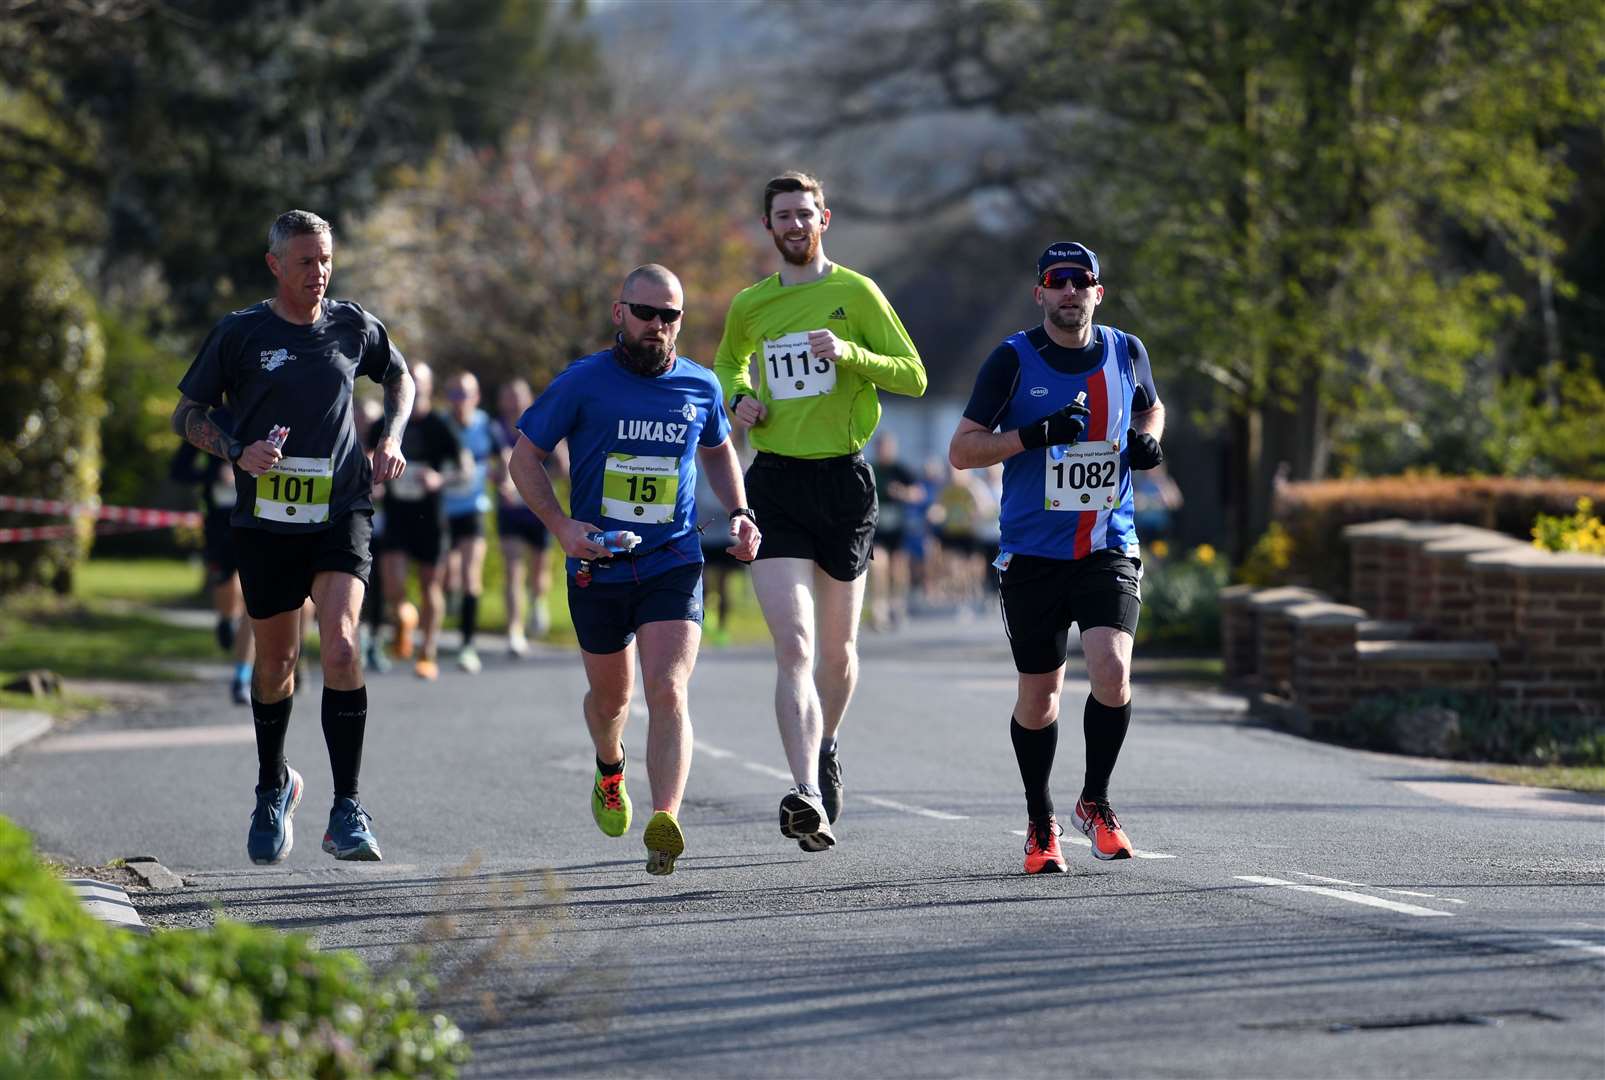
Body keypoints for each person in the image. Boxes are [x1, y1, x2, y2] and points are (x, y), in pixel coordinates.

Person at [171, 208, 414, 866]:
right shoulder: (241, 334)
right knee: (276, 665)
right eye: (305, 261)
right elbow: (186, 412)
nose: (319, 272)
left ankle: (348, 807)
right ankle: (274, 785)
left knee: (339, 647)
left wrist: (389, 436)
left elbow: (400, 375)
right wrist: (234, 449)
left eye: (326, 259)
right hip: (267, 522)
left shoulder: (351, 324)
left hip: (340, 512)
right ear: (276, 265)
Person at [509, 264, 760, 876]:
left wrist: (740, 510)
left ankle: (665, 817)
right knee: (610, 697)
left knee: (668, 688)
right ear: (618, 313)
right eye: (644, 313)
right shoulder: (583, 382)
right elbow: (525, 460)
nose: (656, 326)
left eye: (669, 315)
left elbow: (719, 446)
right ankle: (609, 766)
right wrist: (565, 529)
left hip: (674, 556)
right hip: (599, 562)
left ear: (680, 320)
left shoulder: (699, 386)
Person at [714, 171, 926, 852]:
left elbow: (912, 375)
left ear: (824, 219)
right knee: (795, 646)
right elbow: (726, 367)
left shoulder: (856, 293)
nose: (795, 225)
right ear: (768, 227)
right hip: (774, 481)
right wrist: (737, 398)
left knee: (837, 653)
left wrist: (850, 353)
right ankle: (805, 790)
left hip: (844, 482)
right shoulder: (750, 304)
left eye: (805, 213)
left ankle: (826, 744)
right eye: (783, 216)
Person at [948, 241, 1166, 874]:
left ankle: (1095, 801)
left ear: (1099, 291)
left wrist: (1147, 441)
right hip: (1033, 556)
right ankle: (1040, 820)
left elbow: (1152, 404)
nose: (1070, 291)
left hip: (1107, 545)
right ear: (1039, 292)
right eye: (1057, 281)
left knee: (1112, 669)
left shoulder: (1126, 351)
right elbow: (962, 452)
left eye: (1081, 281)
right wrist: (1033, 435)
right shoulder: (1011, 361)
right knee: (1040, 697)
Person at [369, 361, 468, 681]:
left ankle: (427, 652)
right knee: (394, 587)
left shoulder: (440, 425)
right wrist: (374, 477)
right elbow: (364, 452)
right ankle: (405, 616)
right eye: (410, 377)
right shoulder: (388, 422)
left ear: (429, 387)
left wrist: (440, 479)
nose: (416, 385)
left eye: (421, 380)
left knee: (430, 586)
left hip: (430, 517)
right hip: (397, 515)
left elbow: (464, 469)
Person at [170, 403, 255, 704]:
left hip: (259, 519)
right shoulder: (209, 422)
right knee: (225, 584)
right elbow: (179, 470)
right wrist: (214, 476)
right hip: (220, 521)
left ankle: (242, 677)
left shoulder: (269, 413)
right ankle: (224, 620)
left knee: (253, 598)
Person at [441, 370, 508, 674]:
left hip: (473, 509)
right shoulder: (439, 427)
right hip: (441, 511)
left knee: (470, 576)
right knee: (448, 579)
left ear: (476, 397)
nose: (459, 401)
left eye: (464, 394)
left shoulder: (486, 425)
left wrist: (506, 481)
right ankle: (450, 600)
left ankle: (467, 646)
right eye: (453, 394)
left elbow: (505, 455)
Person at [493, 378, 566, 655]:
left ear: (528, 398)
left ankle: (537, 600)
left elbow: (563, 464)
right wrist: (499, 479)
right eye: (508, 395)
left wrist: (542, 482)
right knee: (512, 569)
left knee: (538, 572)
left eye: (518, 395)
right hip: (510, 511)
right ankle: (514, 630)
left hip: (540, 510)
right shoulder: (496, 429)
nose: (513, 401)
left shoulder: (542, 423)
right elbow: (486, 464)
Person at [868, 432, 923, 631]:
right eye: (880, 447)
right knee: (878, 567)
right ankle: (878, 611)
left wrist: (903, 493)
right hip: (878, 529)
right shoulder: (871, 469)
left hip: (899, 530)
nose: (884, 451)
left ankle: (897, 605)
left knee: (898, 570)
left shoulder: (901, 470)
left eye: (887, 447)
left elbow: (919, 494)